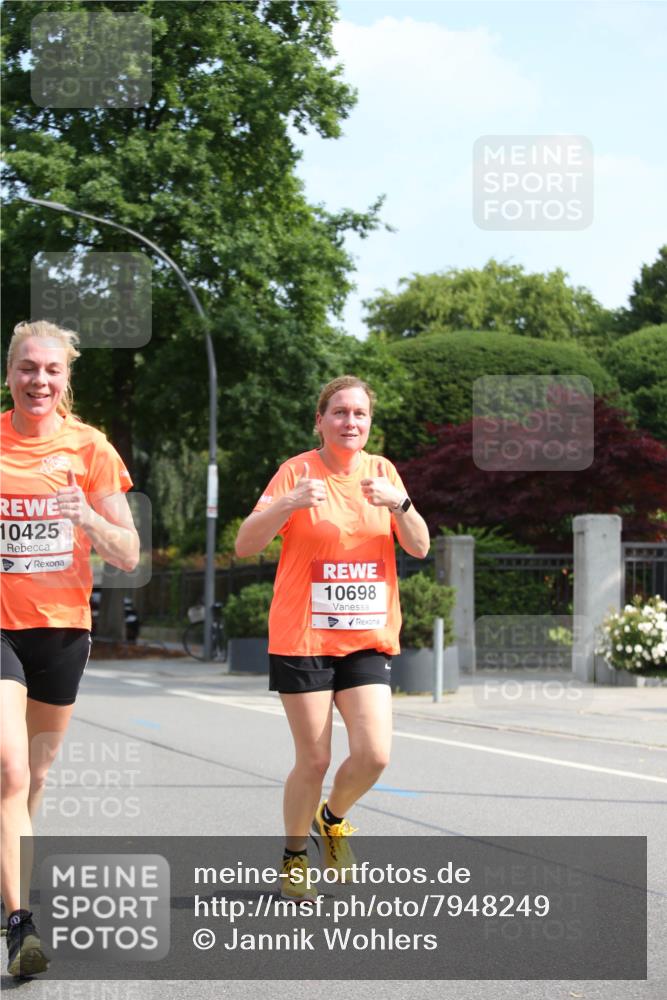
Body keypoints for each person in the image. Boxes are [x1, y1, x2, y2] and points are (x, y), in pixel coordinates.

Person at [235, 375, 429, 900]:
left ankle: (332, 817)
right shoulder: (296, 471)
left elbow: (419, 546)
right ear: (320, 421)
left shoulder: (384, 473)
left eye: (359, 414)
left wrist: (399, 505)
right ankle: (294, 855)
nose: (350, 422)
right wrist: (288, 503)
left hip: (367, 636)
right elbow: (245, 543)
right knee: (315, 759)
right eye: (339, 413)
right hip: (304, 636)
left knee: (374, 754)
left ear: (369, 422)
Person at [1, 320, 139, 976]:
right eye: (28, 368)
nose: (39, 380)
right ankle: (20, 923)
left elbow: (130, 551)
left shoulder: (91, 449)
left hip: (60, 629)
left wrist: (86, 516)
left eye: (51, 370)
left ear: (66, 379)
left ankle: (9, 879)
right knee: (10, 770)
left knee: (36, 776)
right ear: (9, 375)